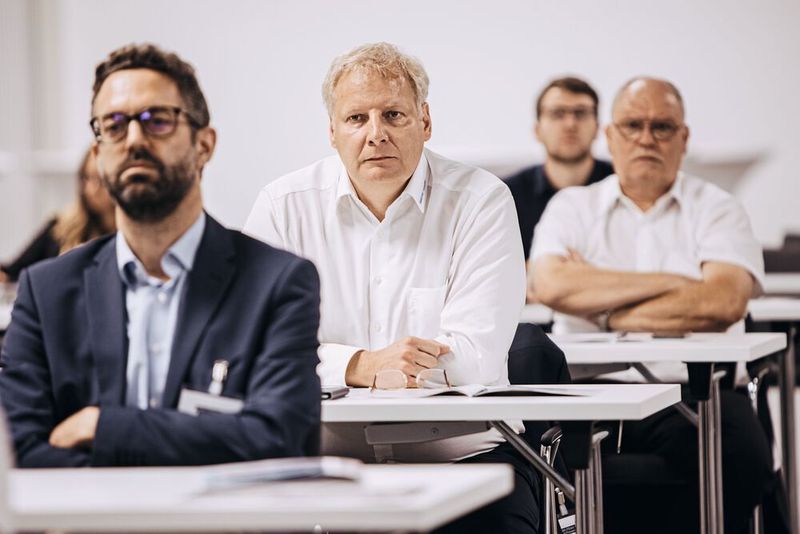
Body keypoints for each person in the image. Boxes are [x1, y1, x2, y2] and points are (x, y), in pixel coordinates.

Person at [244, 43, 536, 533]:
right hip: (322, 476)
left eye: (393, 115)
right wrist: (361, 365)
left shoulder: (481, 202)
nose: (375, 134)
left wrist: (322, 363)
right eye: (356, 118)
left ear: (425, 122)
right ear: (332, 132)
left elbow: (475, 358)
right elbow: (253, 356)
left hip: (463, 467)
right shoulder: (282, 207)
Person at [0, 43, 322, 468]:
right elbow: (18, 447)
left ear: (204, 145)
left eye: (157, 120)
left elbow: (281, 437)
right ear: (98, 155)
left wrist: (105, 427)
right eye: (113, 125)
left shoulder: (276, 283)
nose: (134, 139)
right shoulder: (47, 291)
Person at [530, 77, 782, 533]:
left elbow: (722, 300)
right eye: (632, 125)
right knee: (534, 467)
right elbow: (549, 283)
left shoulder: (718, 208)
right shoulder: (572, 207)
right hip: (592, 395)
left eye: (662, 126)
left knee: (740, 456)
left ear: (684, 138)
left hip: (697, 394)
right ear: (610, 136)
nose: (647, 138)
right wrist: (679, 283)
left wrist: (605, 307)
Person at [504, 77, 613, 271]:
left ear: (597, 127)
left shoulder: (623, 187)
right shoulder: (506, 196)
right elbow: (494, 274)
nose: (570, 124)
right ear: (537, 130)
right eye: (557, 113)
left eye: (580, 113)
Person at [0, 148, 116, 282]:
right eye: (87, 178)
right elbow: (12, 272)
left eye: (100, 180)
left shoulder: (130, 236)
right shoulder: (60, 227)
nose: (92, 189)